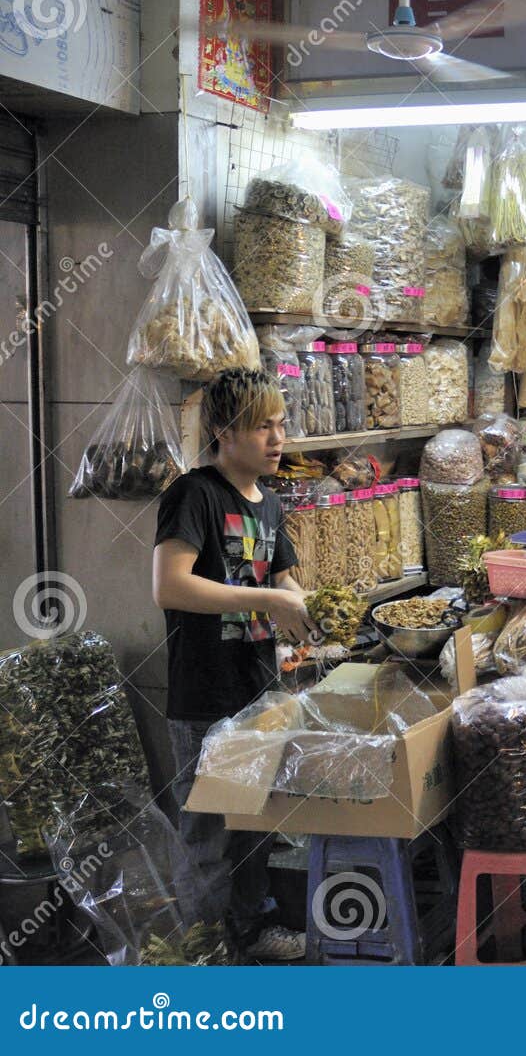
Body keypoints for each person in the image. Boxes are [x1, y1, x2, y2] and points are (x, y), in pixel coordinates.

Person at [153, 368, 312, 961]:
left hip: (255, 690)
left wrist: (309, 615)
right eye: (262, 426)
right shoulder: (194, 494)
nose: (277, 439)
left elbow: (284, 579)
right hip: (204, 695)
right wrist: (269, 600)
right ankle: (202, 953)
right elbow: (171, 587)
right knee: (208, 834)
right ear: (223, 431)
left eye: (280, 425)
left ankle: (252, 931)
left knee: (253, 826)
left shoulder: (267, 504)